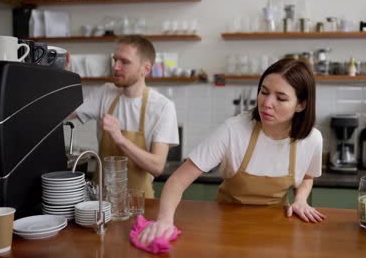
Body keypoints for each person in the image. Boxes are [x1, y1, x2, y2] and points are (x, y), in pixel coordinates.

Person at [139, 58, 326, 245]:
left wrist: (300, 200)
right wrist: (164, 221)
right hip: (227, 224)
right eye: (264, 92)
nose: (267, 103)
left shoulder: (311, 139)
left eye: (281, 98)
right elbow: (178, 180)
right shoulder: (233, 130)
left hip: (277, 226)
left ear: (301, 105)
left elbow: (308, 177)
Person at [67, 35, 179, 198]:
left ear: (145, 69)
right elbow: (62, 114)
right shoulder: (105, 92)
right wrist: (62, 75)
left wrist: (120, 139)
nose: (116, 67)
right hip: (100, 204)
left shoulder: (163, 107)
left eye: (125, 62)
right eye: (115, 60)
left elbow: (157, 166)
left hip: (139, 204)